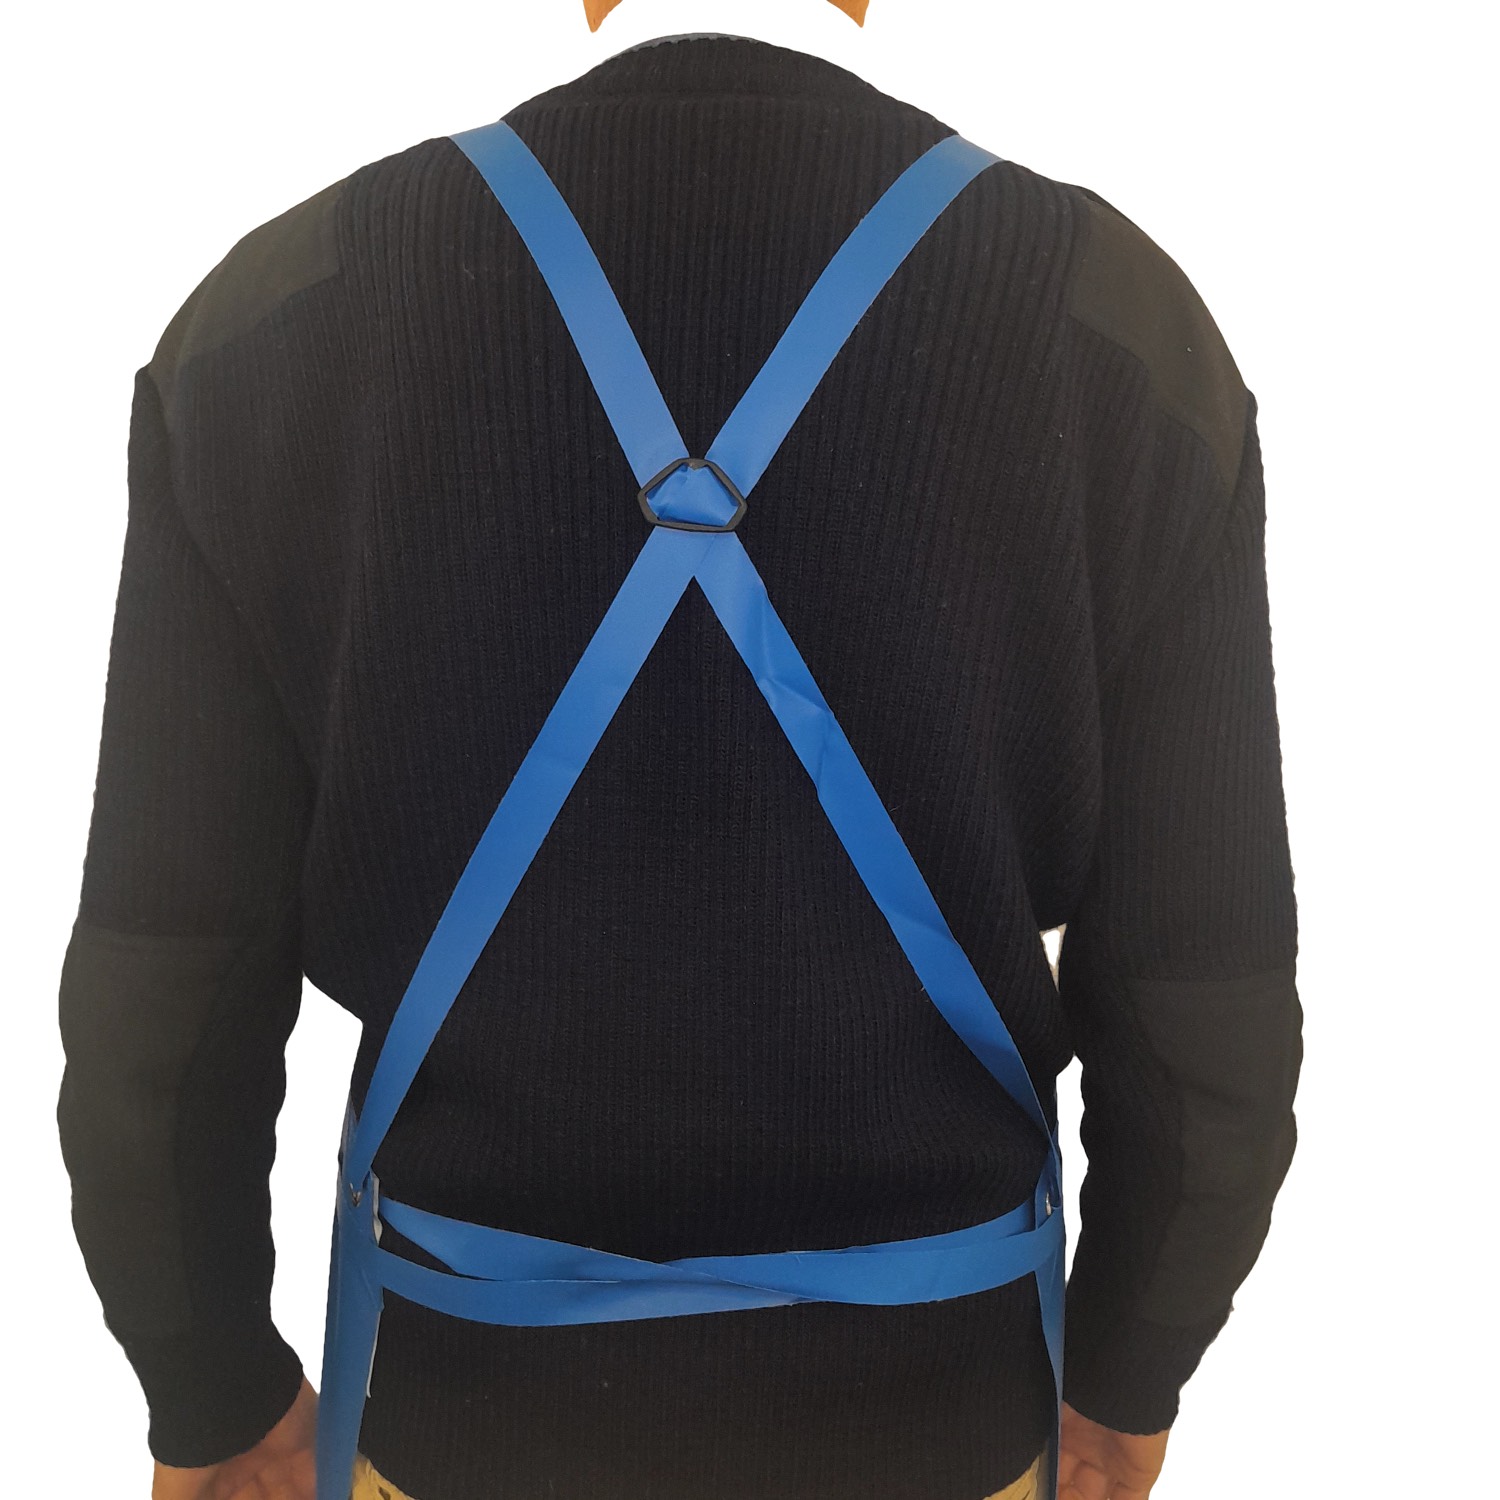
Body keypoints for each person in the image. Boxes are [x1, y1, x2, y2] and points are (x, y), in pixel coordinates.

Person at [56, 10, 1303, 1500]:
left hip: (460, 1427)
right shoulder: (1118, 327)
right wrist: (1127, 1374)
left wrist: (208, 1389)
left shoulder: (274, 319)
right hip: (943, 1431)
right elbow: (1206, 1017)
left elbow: (162, 999)